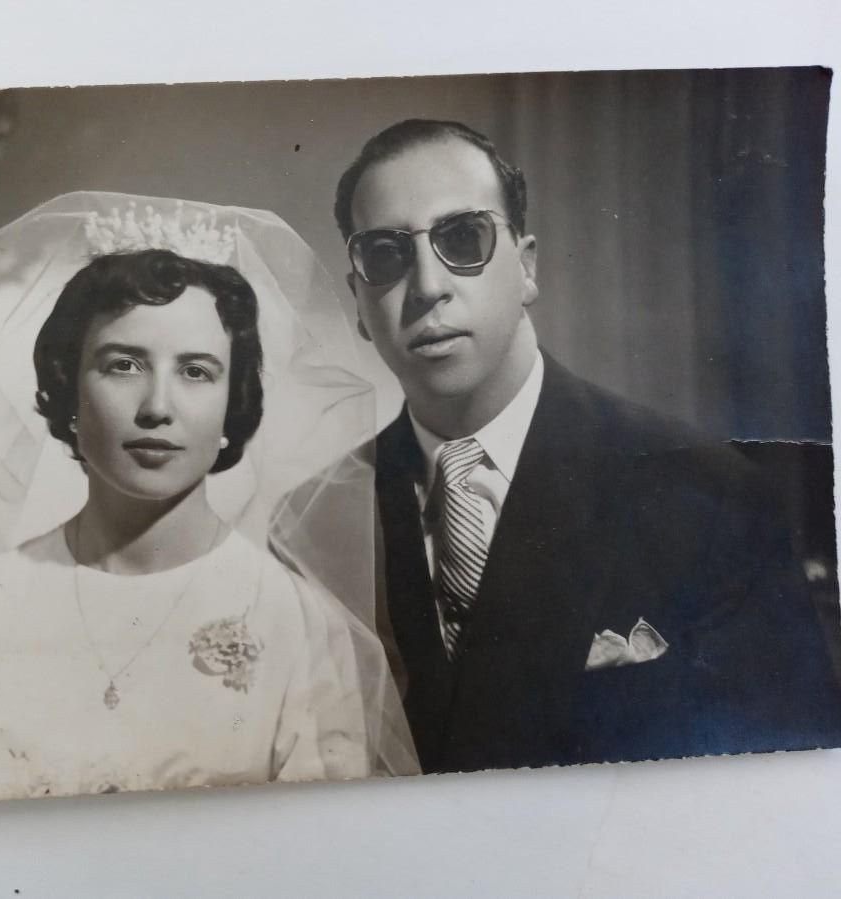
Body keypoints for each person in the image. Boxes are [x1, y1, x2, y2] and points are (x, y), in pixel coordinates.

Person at [0, 194, 417, 809]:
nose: (158, 407)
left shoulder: (299, 625)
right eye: (123, 365)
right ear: (68, 390)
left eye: (196, 371)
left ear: (233, 404)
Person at [319, 118, 841, 773]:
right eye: (386, 255)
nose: (427, 287)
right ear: (358, 303)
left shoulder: (712, 494)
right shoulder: (316, 523)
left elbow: (790, 787)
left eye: (463, 239)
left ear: (528, 267)